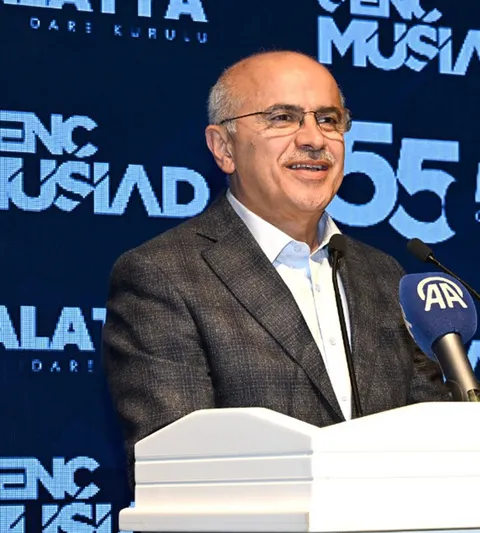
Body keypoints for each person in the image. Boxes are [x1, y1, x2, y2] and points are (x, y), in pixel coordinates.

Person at [101, 50, 451, 488]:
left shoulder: (383, 274)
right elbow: (181, 473)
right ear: (224, 148)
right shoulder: (163, 276)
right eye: (283, 118)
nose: (314, 139)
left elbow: (437, 442)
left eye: (329, 119)